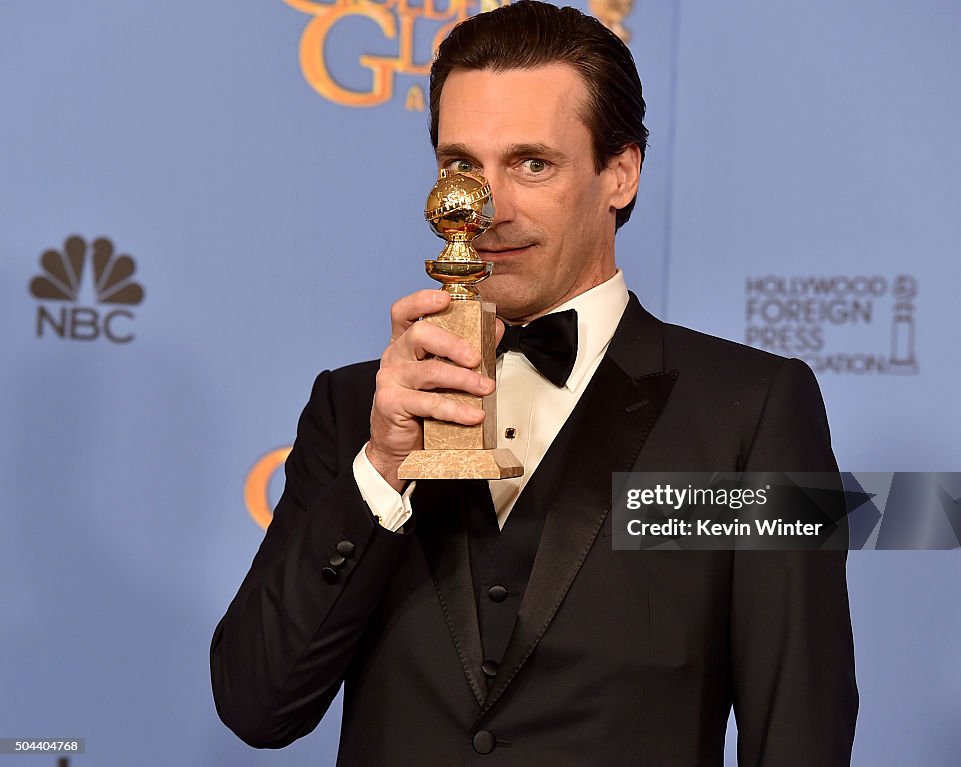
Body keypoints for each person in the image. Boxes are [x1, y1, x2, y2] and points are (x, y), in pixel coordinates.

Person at [211, 2, 858, 764]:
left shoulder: (754, 411)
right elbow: (257, 703)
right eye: (461, 167)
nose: (487, 210)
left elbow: (799, 725)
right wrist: (382, 470)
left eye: (532, 164)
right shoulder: (354, 407)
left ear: (620, 173)